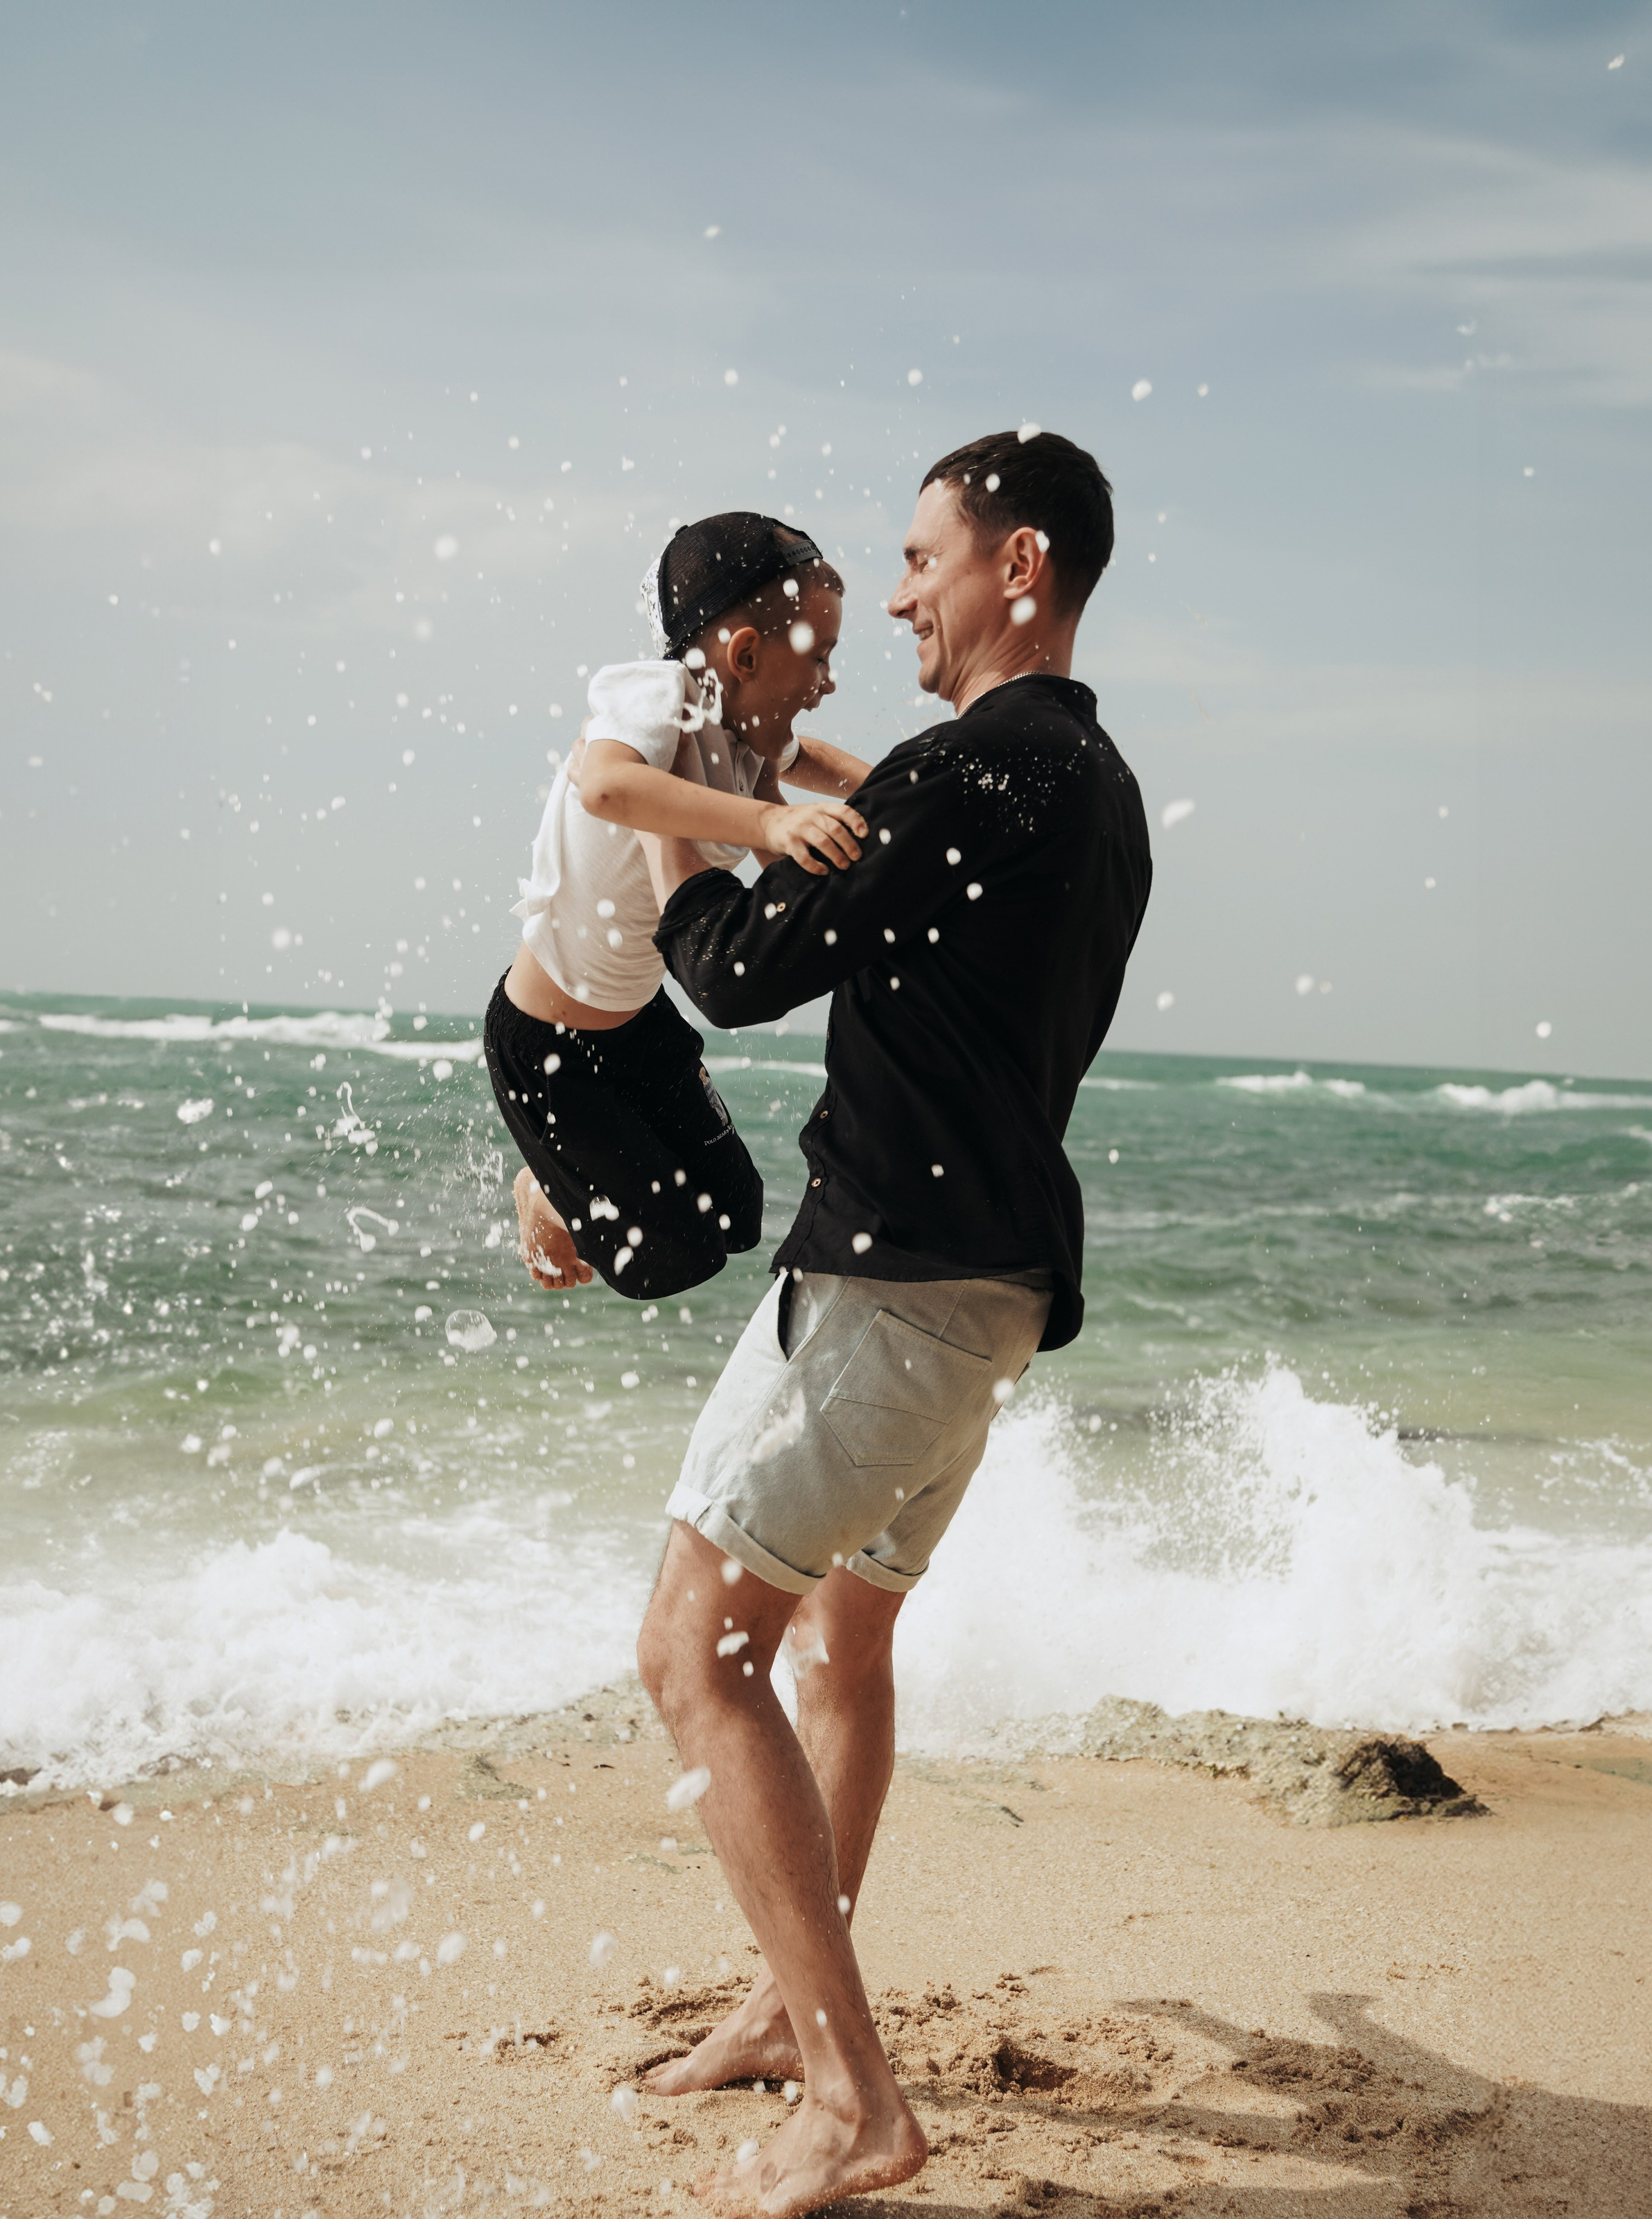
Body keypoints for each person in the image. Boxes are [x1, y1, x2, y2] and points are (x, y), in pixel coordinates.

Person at [631, 430, 1154, 2216]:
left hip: (887, 1286)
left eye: (921, 558)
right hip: (985, 1295)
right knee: (842, 1649)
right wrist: (785, 780)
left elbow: (731, 972)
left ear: (1016, 566)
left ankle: (852, 2096)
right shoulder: (1089, 782)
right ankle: (793, 2011)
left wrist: (680, 808)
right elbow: (908, 868)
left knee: (696, 1653)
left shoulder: (972, 772)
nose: (901, 591)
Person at [481, 514, 871, 1301]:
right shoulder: (658, 698)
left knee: (738, 1213)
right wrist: (769, 820)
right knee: (666, 1259)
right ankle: (545, 1187)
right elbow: (607, 786)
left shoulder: (749, 732)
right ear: (745, 655)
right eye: (819, 656)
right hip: (548, 1047)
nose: (829, 681)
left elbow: (817, 769)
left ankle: (568, 1174)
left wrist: (918, 794)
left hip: (638, 1024)